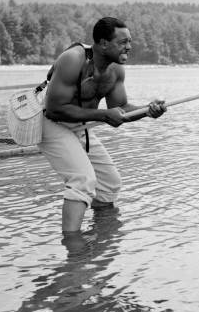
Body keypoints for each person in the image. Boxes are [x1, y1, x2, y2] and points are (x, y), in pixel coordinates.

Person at [39, 17, 166, 234]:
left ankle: (100, 237)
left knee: (109, 184)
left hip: (81, 125)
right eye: (123, 42)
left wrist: (148, 111)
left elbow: (121, 107)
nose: (129, 46)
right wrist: (103, 115)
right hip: (52, 123)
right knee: (83, 180)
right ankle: (73, 243)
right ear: (103, 43)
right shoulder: (73, 59)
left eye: (130, 41)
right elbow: (54, 108)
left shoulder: (116, 70)